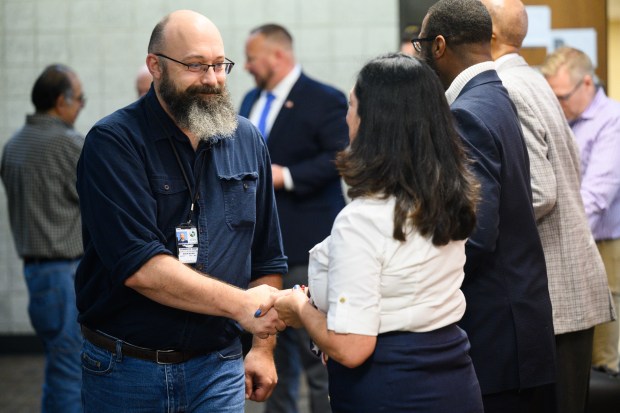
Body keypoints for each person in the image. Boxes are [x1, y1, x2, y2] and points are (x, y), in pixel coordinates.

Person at [75, 10, 288, 413]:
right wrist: (244, 306)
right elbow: (141, 267)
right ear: (155, 66)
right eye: (194, 65)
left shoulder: (246, 139)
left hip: (219, 367)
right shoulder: (113, 143)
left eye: (219, 65)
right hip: (127, 371)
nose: (211, 79)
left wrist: (262, 347)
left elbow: (266, 257)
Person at [274, 52, 484, 413]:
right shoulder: (448, 196)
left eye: (352, 105)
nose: (346, 117)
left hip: (392, 387)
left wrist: (299, 308)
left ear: (375, 123)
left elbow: (353, 347)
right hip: (452, 374)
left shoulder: (362, 220)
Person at [414, 0, 557, 411]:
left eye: (420, 44)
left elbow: (474, 233)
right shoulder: (494, 95)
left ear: (438, 45)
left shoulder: (467, 113)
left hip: (497, 332)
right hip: (519, 323)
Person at [481, 2, 616, 412]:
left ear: (485, 34)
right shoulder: (529, 78)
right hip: (565, 282)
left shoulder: (510, 87)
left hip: (558, 287)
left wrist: (478, 229)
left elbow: (539, 193)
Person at [240, 24, 349, 413]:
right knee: (270, 352)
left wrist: (284, 176)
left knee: (314, 357)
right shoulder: (249, 99)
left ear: (278, 56)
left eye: (252, 58)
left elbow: (339, 158)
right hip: (259, 253)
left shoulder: (324, 99)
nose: (248, 66)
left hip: (306, 246)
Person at [0, 64, 86, 413]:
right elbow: (102, 204)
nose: (81, 106)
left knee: (58, 362)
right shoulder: (69, 144)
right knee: (71, 368)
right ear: (60, 101)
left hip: (36, 275)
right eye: (80, 99)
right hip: (66, 274)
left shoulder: (14, 145)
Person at [541, 47, 620, 377]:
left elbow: (596, 196)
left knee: (601, 355)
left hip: (603, 246)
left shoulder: (612, 120)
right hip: (567, 243)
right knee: (569, 355)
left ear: (587, 83)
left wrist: (559, 241)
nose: (558, 104)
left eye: (562, 96)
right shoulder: (563, 118)